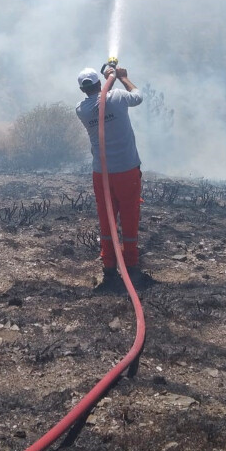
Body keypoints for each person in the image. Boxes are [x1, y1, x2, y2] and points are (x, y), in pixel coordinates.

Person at [74, 64, 154, 292]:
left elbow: (99, 102)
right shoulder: (117, 96)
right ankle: (131, 266)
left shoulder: (81, 109)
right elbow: (138, 97)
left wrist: (109, 79)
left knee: (106, 220)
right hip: (127, 170)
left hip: (101, 174)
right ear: (100, 82)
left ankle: (109, 267)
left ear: (82, 89)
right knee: (129, 218)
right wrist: (123, 77)